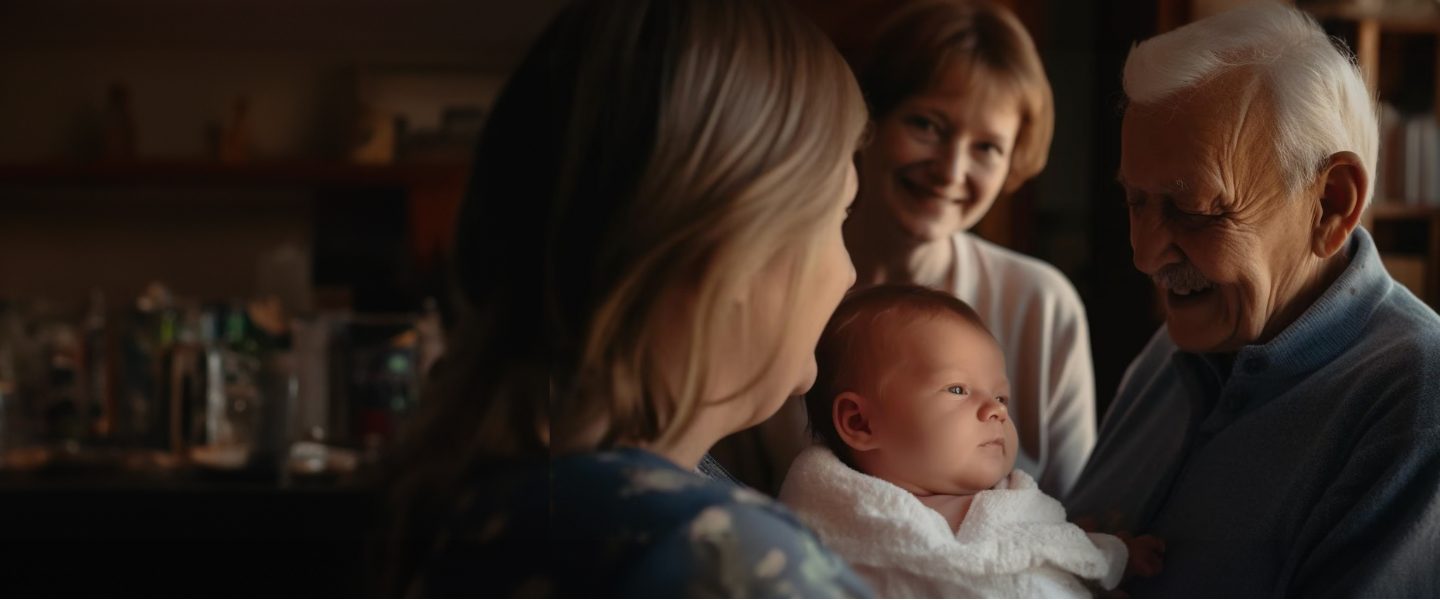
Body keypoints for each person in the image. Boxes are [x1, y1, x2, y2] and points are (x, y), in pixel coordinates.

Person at [380, 0, 874, 596]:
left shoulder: (472, 505)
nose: (849, 274)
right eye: (838, 215)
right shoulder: (723, 558)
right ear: (733, 248)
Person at [1065, 2, 1440, 596]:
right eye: (1136, 202)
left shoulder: (1418, 397)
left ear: (1331, 205)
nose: (1144, 254)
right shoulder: (1177, 348)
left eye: (1194, 210)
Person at [836, 0, 1093, 499]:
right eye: (927, 125)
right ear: (870, 119)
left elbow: (1077, 511)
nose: (952, 170)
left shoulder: (1042, 304)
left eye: (987, 148)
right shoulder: (788, 287)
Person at [779, 285, 1159, 597]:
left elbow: (1045, 546)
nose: (995, 410)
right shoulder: (837, 522)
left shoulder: (1009, 505)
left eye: (1001, 397)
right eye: (958, 389)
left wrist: (1110, 553)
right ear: (860, 422)